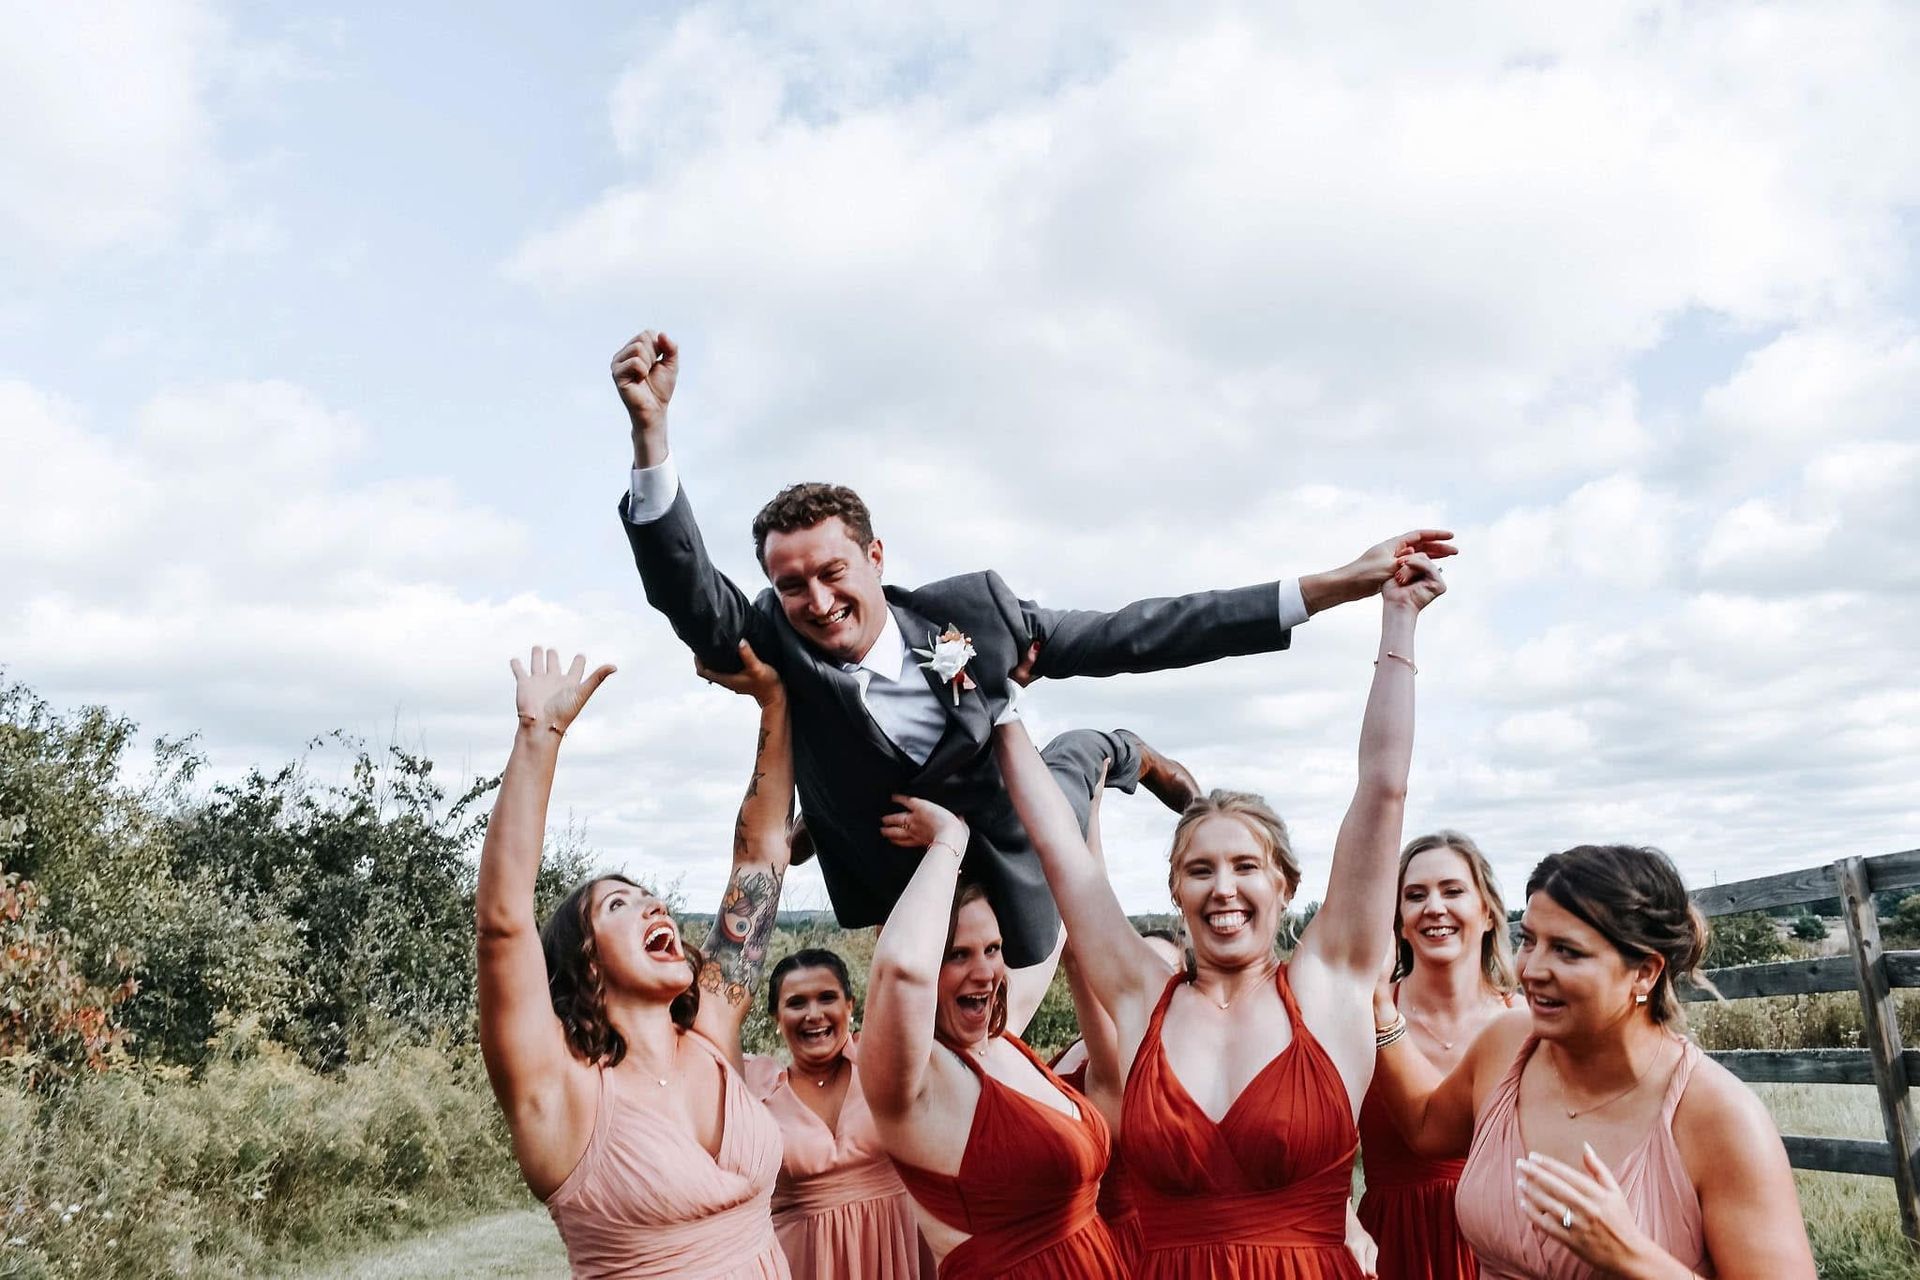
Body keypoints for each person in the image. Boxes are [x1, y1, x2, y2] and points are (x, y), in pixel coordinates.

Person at [611, 327, 1456, 967]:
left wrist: (1334, 583)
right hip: (904, 881)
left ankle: (1123, 749)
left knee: (1075, 758)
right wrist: (652, 433)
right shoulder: (776, 644)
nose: (818, 602)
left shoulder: (976, 615)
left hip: (1014, 835)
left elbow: (1141, 632)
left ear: (875, 558)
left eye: (833, 573)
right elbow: (689, 595)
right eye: (791, 585)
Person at [993, 550, 1448, 1278]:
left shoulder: (1331, 982)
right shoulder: (1143, 995)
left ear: (1285, 885)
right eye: (1200, 870)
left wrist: (1399, 621)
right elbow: (1059, 850)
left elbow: (1382, 788)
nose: (1224, 889)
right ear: (1177, 891)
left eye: (1245, 868)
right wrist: (997, 704)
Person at [474, 645, 796, 1279]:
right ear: (587, 962)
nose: (657, 908)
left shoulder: (711, 1035)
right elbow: (502, 925)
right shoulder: (560, 1091)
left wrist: (776, 704)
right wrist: (542, 736)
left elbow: (759, 858)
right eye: (621, 903)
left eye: (654, 898)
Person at [1369, 844, 1818, 1280]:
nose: (1532, 969)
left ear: (1644, 972)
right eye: (1530, 941)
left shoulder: (1720, 1117)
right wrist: (1380, 1007)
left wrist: (1632, 1258)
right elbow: (1424, 1127)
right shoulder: (1507, 1043)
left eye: (1567, 950)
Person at [859, 796, 1125, 1278]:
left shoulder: (1002, 1034)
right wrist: (949, 841)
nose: (984, 972)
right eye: (957, 955)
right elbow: (900, 968)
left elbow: (1073, 917)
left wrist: (1085, 805)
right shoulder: (910, 1082)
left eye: (993, 948)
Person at [1356, 831, 1517, 1280]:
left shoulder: (1522, 1022)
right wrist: (1345, 1222)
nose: (1434, 907)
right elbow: (1320, 1145)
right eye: (1415, 895)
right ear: (1400, 921)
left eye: (1452, 891)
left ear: (1486, 913)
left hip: (1497, 1247)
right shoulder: (1363, 1014)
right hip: (1389, 1246)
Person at [743, 947, 934, 1279]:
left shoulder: (886, 1065)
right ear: (776, 1017)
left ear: (850, 1006)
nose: (813, 1014)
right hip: (806, 1263)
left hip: (900, 1249)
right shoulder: (757, 1093)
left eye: (827, 998)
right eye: (796, 1003)